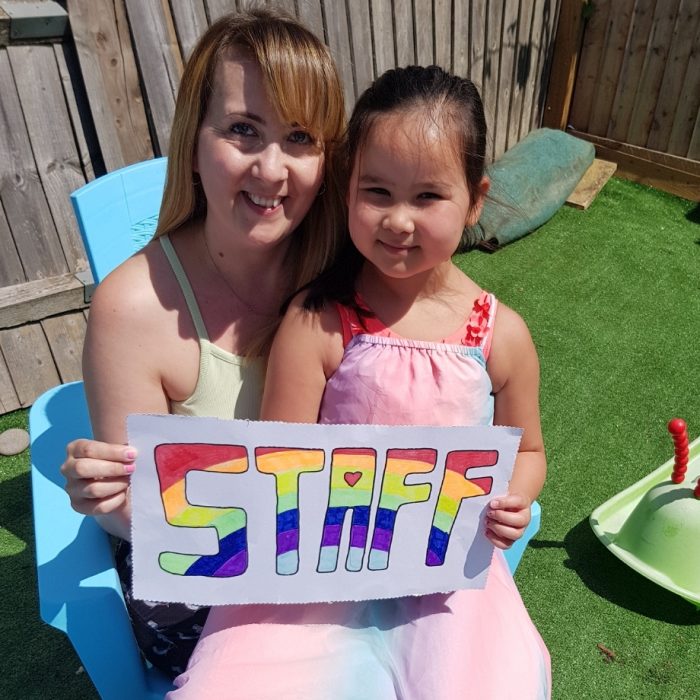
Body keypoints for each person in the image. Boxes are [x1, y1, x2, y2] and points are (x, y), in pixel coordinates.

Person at [169, 66, 550, 699]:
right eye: (377, 192)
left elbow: (528, 450)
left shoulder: (501, 334)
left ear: (475, 199)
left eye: (428, 197)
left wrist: (514, 498)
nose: (398, 220)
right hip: (316, 571)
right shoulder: (318, 320)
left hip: (447, 575)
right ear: (347, 189)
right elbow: (279, 462)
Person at [60, 7, 346, 678]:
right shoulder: (133, 308)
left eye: (299, 137)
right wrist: (112, 503)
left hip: (332, 552)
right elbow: (136, 512)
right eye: (243, 130)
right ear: (193, 142)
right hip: (204, 581)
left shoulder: (344, 265)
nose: (272, 170)